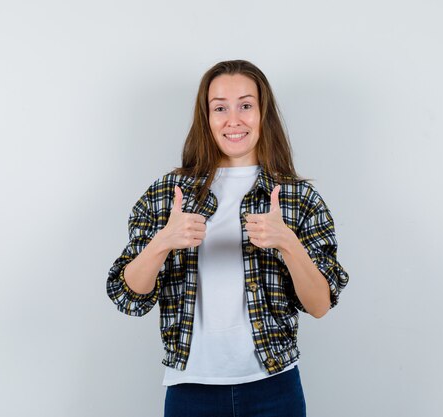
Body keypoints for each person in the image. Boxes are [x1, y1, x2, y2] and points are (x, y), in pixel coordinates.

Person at [106, 59, 350, 417]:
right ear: (206, 118)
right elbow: (128, 297)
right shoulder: (167, 194)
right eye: (220, 107)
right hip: (190, 389)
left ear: (263, 114)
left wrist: (288, 242)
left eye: (246, 105)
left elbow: (319, 305)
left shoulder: (298, 198)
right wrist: (163, 241)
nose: (233, 119)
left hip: (274, 387)